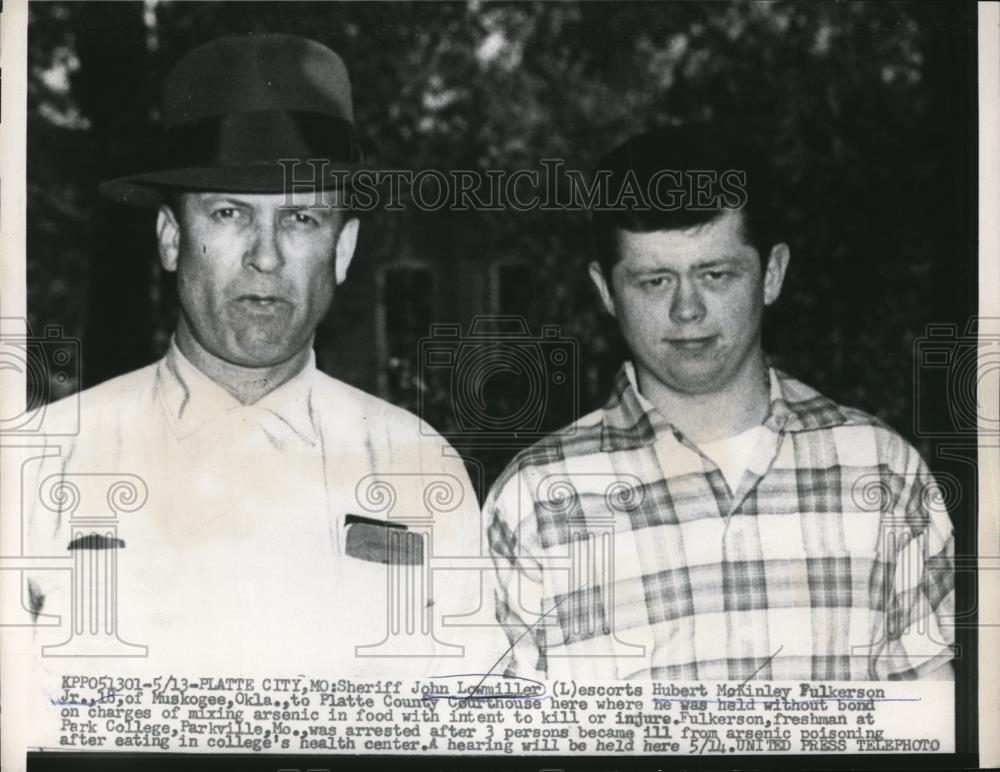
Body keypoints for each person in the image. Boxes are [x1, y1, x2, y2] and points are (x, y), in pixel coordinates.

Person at [24, 34, 497, 677]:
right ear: (171, 238)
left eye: (301, 219)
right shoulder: (44, 462)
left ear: (343, 249)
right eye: (228, 213)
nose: (266, 256)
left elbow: (467, 718)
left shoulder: (420, 467)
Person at [485, 126, 956, 681]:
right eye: (654, 281)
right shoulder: (535, 500)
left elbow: (933, 723)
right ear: (606, 292)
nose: (688, 309)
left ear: (771, 274)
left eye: (715, 274)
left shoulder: (882, 471)